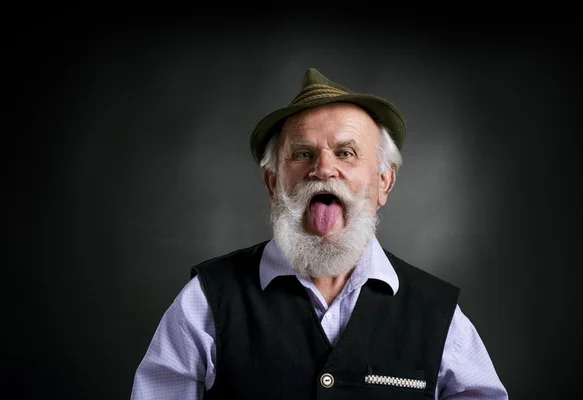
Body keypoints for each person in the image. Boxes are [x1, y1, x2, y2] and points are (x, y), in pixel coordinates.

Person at [130, 68, 509, 399]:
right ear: (273, 182)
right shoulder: (205, 304)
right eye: (302, 154)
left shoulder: (437, 315)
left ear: (383, 184)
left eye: (346, 153)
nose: (323, 169)